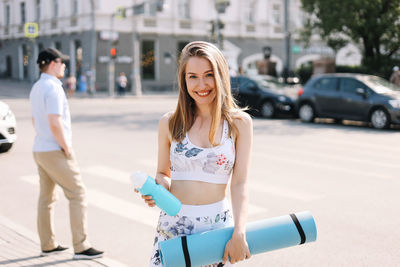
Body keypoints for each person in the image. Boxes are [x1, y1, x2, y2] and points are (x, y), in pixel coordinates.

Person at [137, 41, 252, 266]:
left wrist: (239, 232)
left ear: (220, 76)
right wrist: (157, 189)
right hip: (174, 226)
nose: (201, 84)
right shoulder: (170, 123)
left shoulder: (239, 123)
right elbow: (163, 173)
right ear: (184, 80)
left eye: (208, 74)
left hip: (217, 229)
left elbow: (240, 184)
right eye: (192, 76)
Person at [29, 48, 104, 260]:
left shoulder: (36, 87)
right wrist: (66, 147)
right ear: (53, 63)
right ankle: (81, 246)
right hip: (55, 149)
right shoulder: (53, 88)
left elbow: (36, 120)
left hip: (40, 148)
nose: (64, 66)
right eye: (62, 62)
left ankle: (48, 244)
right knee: (78, 193)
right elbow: (55, 121)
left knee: (46, 198)